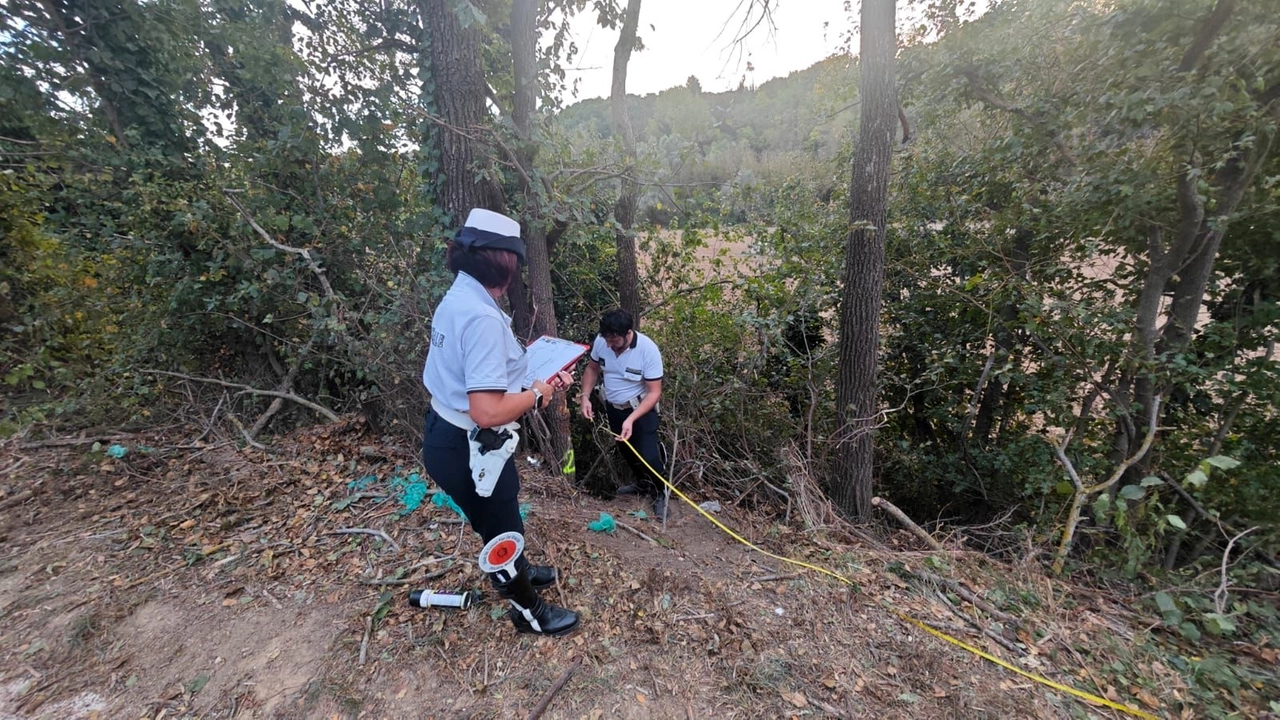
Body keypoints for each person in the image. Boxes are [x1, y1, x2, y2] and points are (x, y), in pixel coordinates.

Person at [420, 208, 579, 638]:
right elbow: (487, 411)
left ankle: (520, 569)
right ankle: (529, 612)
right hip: (470, 443)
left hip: (445, 433)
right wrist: (539, 394)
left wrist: (531, 378)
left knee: (497, 518)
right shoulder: (484, 317)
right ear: (506, 265)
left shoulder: (459, 297)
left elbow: (479, 370)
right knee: (502, 527)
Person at [578, 309, 669, 519]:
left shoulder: (647, 350)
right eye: (607, 340)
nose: (609, 345)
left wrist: (631, 418)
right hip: (613, 408)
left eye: (614, 340)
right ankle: (642, 483)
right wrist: (585, 396)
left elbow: (654, 392)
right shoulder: (602, 342)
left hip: (640, 410)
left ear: (628, 333)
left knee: (648, 455)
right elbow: (592, 369)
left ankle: (660, 492)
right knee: (625, 450)